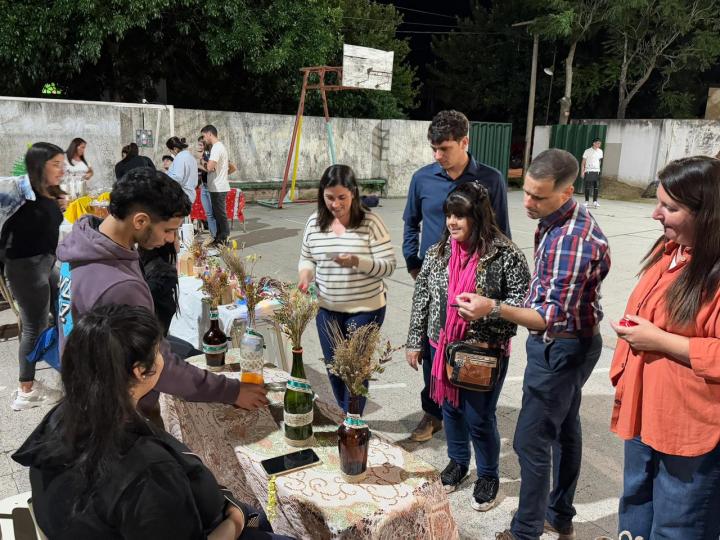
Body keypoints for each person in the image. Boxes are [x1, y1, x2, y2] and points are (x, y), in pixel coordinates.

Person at [13, 304, 292, 540]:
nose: (164, 358)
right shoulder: (146, 473)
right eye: (159, 351)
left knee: (259, 516)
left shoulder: (61, 418)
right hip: (220, 526)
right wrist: (235, 521)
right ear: (141, 371)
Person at [458, 149, 609, 540]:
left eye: (538, 197)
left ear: (567, 191)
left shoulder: (571, 240)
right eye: (525, 192)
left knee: (530, 439)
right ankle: (559, 515)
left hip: (562, 347)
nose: (527, 202)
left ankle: (526, 531)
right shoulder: (555, 220)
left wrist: (492, 307)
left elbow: (547, 317)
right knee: (564, 429)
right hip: (570, 340)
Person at [56, 168, 268, 417]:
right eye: (168, 230)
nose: (171, 240)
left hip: (82, 387)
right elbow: (157, 365)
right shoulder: (120, 286)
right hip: (117, 408)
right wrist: (232, 391)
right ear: (140, 221)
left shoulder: (82, 245)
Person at [609, 156, 720, 539]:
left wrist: (659, 340)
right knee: (635, 509)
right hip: (645, 409)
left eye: (671, 207)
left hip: (689, 426)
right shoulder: (669, 248)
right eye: (658, 202)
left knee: (677, 524)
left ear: (707, 212)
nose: (657, 214)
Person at [406, 183, 529, 511]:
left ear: (477, 216)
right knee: (450, 410)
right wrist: (415, 341)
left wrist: (489, 310)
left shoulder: (505, 254)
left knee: (478, 417)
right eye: (448, 215)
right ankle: (458, 462)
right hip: (440, 348)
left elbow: (521, 303)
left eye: (460, 215)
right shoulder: (439, 252)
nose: (452, 222)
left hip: (482, 352)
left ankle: (488, 475)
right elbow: (422, 298)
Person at [403, 109, 511, 443]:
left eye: (445, 148)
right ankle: (433, 411)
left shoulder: (490, 180)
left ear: (465, 142)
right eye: (433, 148)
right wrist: (413, 262)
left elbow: (501, 232)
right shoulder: (422, 179)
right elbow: (411, 221)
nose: (437, 156)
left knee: (470, 350)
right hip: (434, 282)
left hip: (474, 286)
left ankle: (469, 410)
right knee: (431, 348)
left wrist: (493, 285)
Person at [298, 164, 396, 414]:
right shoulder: (314, 223)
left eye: (342, 197)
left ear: (353, 193)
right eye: (330, 197)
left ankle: (352, 419)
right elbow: (306, 257)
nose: (336, 204)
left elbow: (388, 266)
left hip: (365, 309)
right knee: (334, 367)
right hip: (327, 307)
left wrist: (357, 261)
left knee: (355, 370)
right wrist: (305, 275)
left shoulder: (371, 222)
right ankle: (346, 415)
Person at [2, 143, 65, 411]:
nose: (61, 170)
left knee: (61, 312)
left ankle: (64, 368)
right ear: (39, 166)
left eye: (63, 164)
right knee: (33, 326)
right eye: (55, 164)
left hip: (46, 261)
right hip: (25, 266)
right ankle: (25, 389)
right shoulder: (17, 191)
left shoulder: (48, 192)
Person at [139, 241, 180, 336]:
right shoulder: (163, 275)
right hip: (151, 342)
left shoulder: (140, 262)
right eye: (173, 232)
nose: (177, 240)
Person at [201, 125, 231, 247]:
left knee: (220, 214)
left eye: (204, 136)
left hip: (219, 187)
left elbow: (209, 167)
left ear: (209, 134)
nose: (203, 139)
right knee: (217, 214)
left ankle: (223, 239)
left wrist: (202, 162)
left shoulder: (217, 148)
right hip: (217, 186)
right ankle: (219, 239)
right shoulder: (218, 147)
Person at [166, 136, 198, 203]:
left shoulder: (180, 158)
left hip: (181, 196)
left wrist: (164, 180)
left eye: (170, 150)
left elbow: (177, 177)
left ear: (175, 149)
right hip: (190, 194)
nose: (171, 153)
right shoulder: (191, 157)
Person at [197, 135, 215, 235]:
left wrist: (199, 163)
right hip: (203, 186)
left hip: (212, 186)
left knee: (214, 213)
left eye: (201, 143)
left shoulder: (211, 154)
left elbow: (210, 169)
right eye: (199, 143)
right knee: (208, 214)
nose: (199, 145)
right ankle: (213, 235)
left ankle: (218, 236)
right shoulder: (201, 155)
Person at [581, 138, 603, 208]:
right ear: (594, 143)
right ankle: (586, 201)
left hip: (596, 171)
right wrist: (582, 171)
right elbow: (583, 162)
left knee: (596, 187)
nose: (599, 145)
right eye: (598, 143)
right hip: (588, 170)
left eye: (600, 143)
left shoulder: (600, 151)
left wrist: (598, 168)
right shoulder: (587, 151)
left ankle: (595, 202)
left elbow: (599, 160)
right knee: (587, 187)